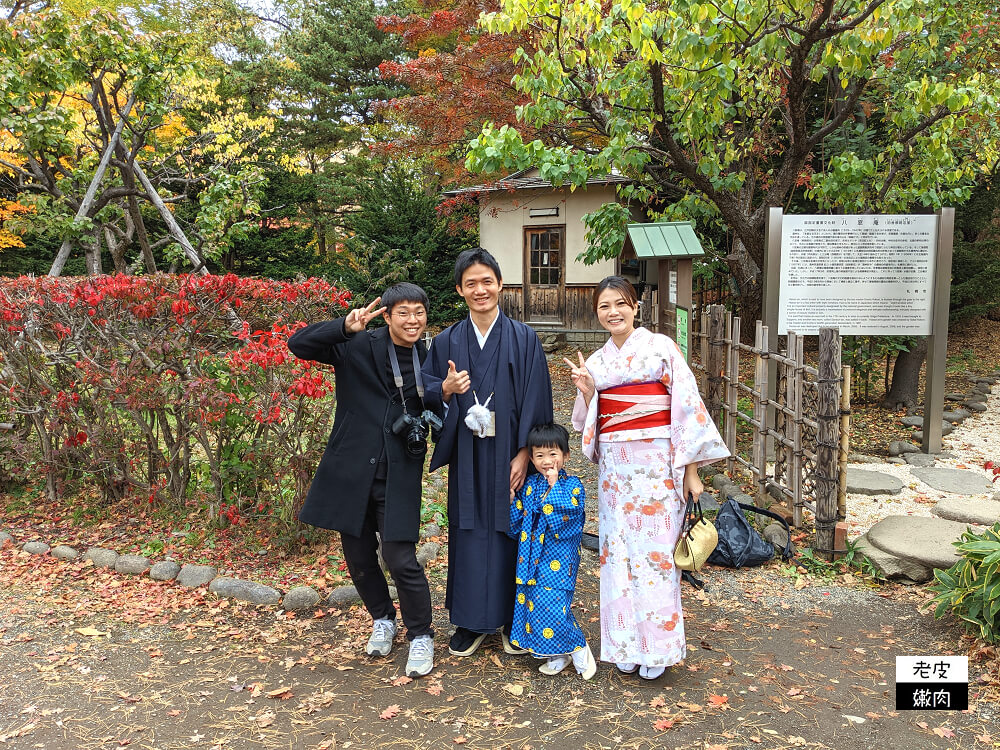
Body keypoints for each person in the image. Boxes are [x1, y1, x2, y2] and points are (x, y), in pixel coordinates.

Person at [566, 276, 729, 680]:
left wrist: (691, 472)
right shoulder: (599, 362)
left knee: (656, 558)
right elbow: (591, 425)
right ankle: (623, 643)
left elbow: (686, 408)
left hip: (658, 467)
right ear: (597, 313)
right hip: (616, 473)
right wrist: (589, 392)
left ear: (636, 307)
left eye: (620, 304)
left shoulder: (660, 348)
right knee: (617, 556)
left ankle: (657, 649)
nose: (613, 312)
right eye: (604, 306)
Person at [287, 282, 439, 678]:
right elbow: (298, 344)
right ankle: (382, 619)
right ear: (386, 315)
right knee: (357, 557)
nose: (412, 320)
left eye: (419, 311)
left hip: (399, 469)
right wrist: (343, 326)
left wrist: (448, 393)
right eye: (402, 312)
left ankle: (421, 634)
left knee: (400, 556)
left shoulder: (431, 354)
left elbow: (435, 408)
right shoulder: (358, 344)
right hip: (351, 467)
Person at [422, 247, 553, 657]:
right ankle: (470, 620)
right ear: (460, 289)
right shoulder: (446, 341)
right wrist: (444, 390)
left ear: (500, 285)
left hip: (510, 453)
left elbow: (537, 398)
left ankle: (516, 619)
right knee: (469, 527)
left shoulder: (523, 338)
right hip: (466, 451)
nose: (480, 290)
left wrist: (524, 454)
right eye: (471, 283)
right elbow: (424, 394)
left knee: (512, 527)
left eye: (487, 281)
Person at [508, 423, 597, 680]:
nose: (547, 461)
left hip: (558, 561)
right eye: (539, 455)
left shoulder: (572, 486)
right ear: (532, 459)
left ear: (566, 455)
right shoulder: (530, 484)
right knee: (535, 608)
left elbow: (568, 519)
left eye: (553, 454)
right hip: (530, 559)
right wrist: (512, 500)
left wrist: (554, 486)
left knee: (554, 609)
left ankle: (579, 648)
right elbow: (517, 523)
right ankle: (557, 655)